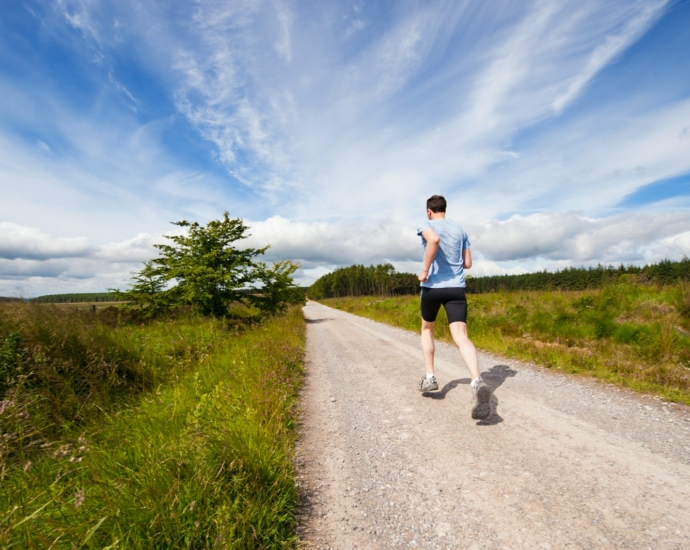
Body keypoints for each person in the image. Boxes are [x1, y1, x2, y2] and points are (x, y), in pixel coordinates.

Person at [416, 195, 491, 420]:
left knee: (427, 329)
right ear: (444, 210)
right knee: (461, 336)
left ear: (429, 211)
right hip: (456, 289)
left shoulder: (426, 225)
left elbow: (434, 240)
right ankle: (477, 380)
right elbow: (467, 263)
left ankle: (430, 377)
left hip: (432, 288)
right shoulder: (460, 229)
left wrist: (425, 270)